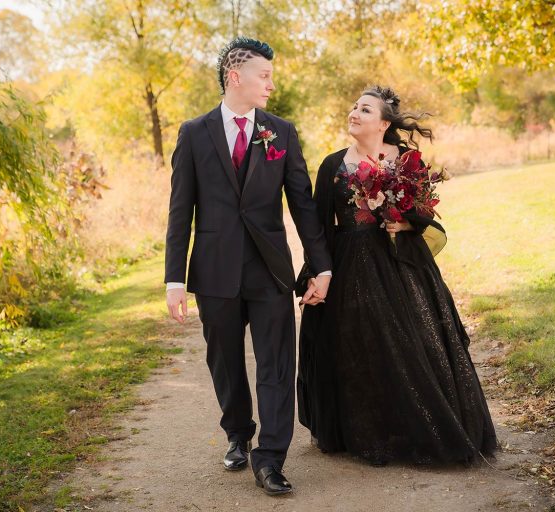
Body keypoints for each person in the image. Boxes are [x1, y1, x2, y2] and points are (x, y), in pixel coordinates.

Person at [164, 36, 332, 495]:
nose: (271, 84)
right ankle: (238, 434)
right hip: (214, 271)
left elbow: (303, 206)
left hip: (270, 269)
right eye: (265, 75)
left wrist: (322, 267)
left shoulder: (281, 131)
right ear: (234, 77)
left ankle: (271, 457)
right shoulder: (194, 133)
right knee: (225, 362)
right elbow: (181, 211)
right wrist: (174, 279)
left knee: (277, 362)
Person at [297, 85, 497, 466]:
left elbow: (423, 213)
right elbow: (318, 227)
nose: (354, 113)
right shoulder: (332, 165)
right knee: (359, 346)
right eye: (353, 106)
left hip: (398, 264)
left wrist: (403, 222)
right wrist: (315, 274)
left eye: (365, 109)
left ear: (384, 122)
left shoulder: (407, 160)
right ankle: (371, 431)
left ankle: (420, 428)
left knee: (411, 343)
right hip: (350, 264)